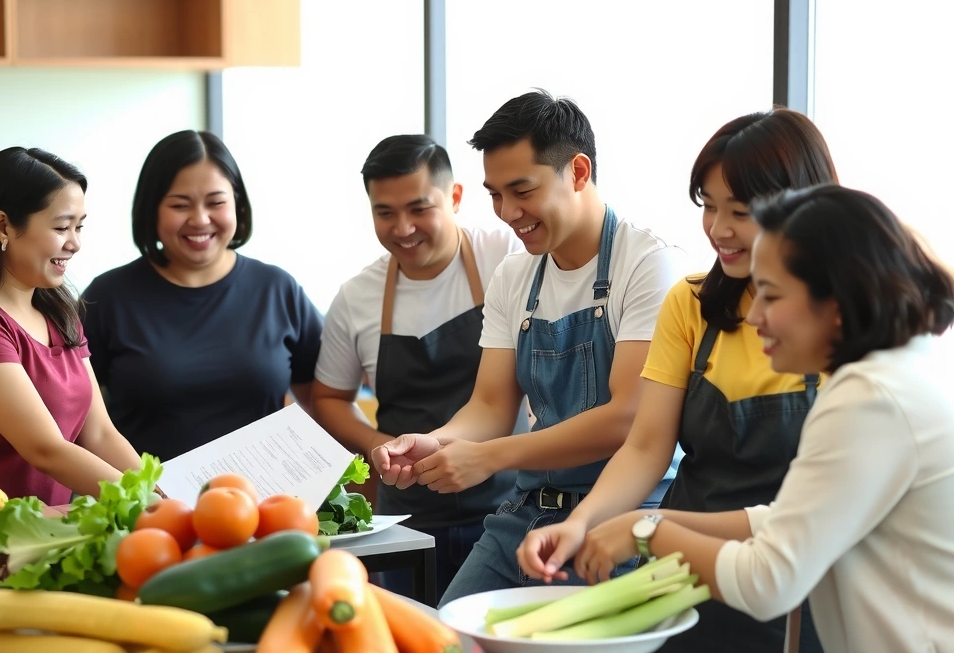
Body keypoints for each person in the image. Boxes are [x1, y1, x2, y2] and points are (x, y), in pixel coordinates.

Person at [552, 184, 954, 653]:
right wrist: (645, 522)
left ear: (839, 305)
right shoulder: (903, 368)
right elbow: (788, 519)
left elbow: (769, 581)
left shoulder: (866, 398)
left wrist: (650, 532)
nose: (755, 316)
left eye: (772, 296)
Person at [518, 108, 835, 652]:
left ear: (804, 208)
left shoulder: (842, 323)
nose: (718, 229)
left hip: (797, 571)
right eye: (709, 207)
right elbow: (645, 445)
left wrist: (646, 527)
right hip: (685, 566)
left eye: (741, 210)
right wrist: (584, 522)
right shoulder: (689, 302)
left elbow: (814, 515)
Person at [372, 90, 688, 606]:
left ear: (578, 172)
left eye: (522, 190)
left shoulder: (648, 264)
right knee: (446, 635)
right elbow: (491, 405)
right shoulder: (516, 274)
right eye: (495, 194)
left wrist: (489, 457)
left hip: (621, 516)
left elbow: (627, 417)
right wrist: (439, 441)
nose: (507, 212)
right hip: (524, 513)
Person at [311, 134, 527, 602]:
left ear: (455, 197)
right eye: (384, 213)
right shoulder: (356, 297)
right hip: (405, 519)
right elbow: (329, 397)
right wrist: (377, 444)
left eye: (419, 208)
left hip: (511, 508)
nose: (403, 228)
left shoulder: (509, 259)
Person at [81, 130, 322, 461]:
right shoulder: (107, 298)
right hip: (149, 505)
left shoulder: (278, 289)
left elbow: (324, 402)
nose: (200, 220)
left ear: (237, 203)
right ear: (152, 210)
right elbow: (76, 418)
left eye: (216, 202)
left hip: (262, 504)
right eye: (180, 205)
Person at [0, 147, 146, 505]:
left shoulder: (60, 313)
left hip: (43, 534)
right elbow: (44, 449)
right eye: (62, 227)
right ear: (2, 227)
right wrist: (148, 503)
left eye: (79, 227)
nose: (75, 243)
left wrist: (166, 496)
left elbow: (100, 434)